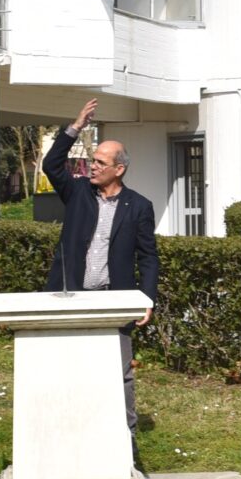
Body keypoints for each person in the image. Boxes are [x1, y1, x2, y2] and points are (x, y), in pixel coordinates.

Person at [43, 99, 159, 435]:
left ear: (118, 169)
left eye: (100, 162)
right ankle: (67, 430)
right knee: (66, 368)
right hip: (70, 296)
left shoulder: (139, 206)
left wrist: (147, 298)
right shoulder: (77, 192)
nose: (92, 167)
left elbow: (148, 256)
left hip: (114, 300)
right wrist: (75, 127)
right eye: (92, 161)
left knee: (120, 372)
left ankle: (127, 439)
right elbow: (52, 164)